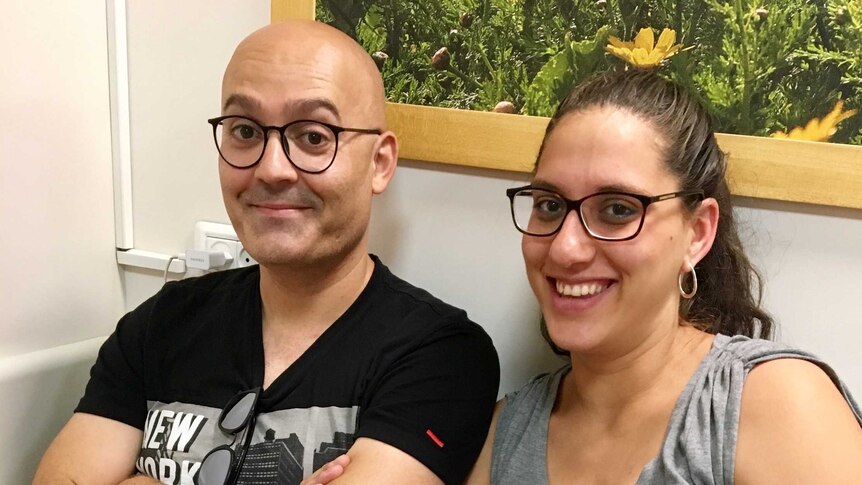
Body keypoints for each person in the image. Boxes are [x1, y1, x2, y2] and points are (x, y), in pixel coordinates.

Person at [33, 21, 499, 485]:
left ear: (379, 163)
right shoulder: (158, 327)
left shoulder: (439, 355)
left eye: (314, 136)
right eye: (245, 131)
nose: (271, 169)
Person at [462, 69, 862, 483]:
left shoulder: (771, 405)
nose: (565, 249)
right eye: (548, 205)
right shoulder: (502, 438)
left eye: (618, 209)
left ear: (697, 233)